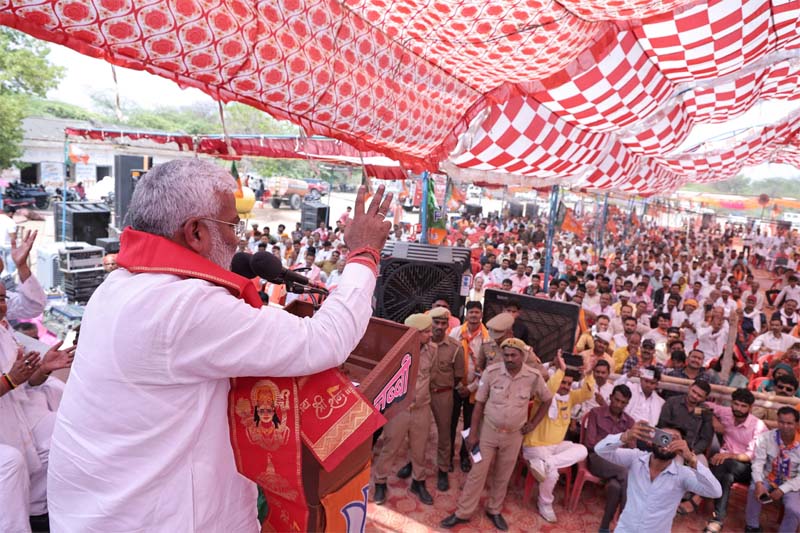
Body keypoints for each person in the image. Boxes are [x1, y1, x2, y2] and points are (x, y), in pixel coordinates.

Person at [46, 159, 393, 531]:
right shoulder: (181, 305)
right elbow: (325, 339)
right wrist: (364, 254)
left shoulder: (119, 284)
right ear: (195, 233)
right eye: (232, 226)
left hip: (100, 506)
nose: (238, 240)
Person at [440, 338, 552, 531]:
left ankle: (494, 509)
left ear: (522, 356)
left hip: (514, 435)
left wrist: (532, 424)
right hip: (488, 432)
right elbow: (479, 404)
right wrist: (473, 434)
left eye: (513, 355)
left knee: (503, 474)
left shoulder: (533, 377)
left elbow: (547, 399)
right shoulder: (492, 373)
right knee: (477, 472)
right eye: (506, 355)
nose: (509, 359)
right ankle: (463, 512)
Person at [594, 422, 722, 533]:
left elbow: (715, 491)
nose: (666, 443)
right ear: (651, 441)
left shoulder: (682, 474)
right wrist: (625, 436)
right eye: (663, 437)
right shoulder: (636, 459)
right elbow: (600, 450)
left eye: (674, 440)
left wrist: (691, 458)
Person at [522, 350, 593, 523]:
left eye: (569, 383)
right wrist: (561, 370)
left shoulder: (570, 398)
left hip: (554, 449)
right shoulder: (544, 397)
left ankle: (546, 464)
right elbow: (550, 388)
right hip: (535, 446)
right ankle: (545, 504)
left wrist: (588, 374)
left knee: (582, 450)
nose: (566, 386)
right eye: (563, 382)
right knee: (552, 475)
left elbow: (587, 393)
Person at [373, 314, 435, 505]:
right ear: (414, 334)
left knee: (419, 449)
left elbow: (431, 377)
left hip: (422, 409)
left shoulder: (433, 350)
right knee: (390, 447)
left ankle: (418, 481)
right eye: (426, 332)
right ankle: (380, 482)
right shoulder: (395, 352)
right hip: (399, 409)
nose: (431, 335)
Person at [703, 388, 768, 533]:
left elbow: (752, 455)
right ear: (731, 403)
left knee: (723, 464)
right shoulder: (727, 412)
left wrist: (728, 455)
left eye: (743, 406)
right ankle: (718, 519)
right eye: (736, 404)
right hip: (727, 463)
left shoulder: (758, 426)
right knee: (726, 476)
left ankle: (712, 513)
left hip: (750, 467)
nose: (738, 409)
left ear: (750, 408)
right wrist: (714, 420)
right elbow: (706, 405)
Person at [583, 385, 635, 533]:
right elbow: (590, 444)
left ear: (627, 403)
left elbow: (632, 450)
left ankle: (604, 527)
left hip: (617, 463)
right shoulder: (596, 413)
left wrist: (630, 440)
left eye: (623, 402)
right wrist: (616, 444)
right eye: (616, 400)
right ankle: (626, 525)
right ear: (610, 397)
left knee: (615, 486)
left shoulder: (629, 422)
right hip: (597, 458)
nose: (618, 405)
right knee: (625, 474)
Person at [745, 407, 800, 533]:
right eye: (781, 422)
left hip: (792, 483)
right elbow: (758, 463)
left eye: (789, 423)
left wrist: (782, 489)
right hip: (768, 477)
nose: (785, 426)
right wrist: (759, 483)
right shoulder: (765, 438)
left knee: (794, 509)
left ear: (797, 424)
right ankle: (752, 527)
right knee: (754, 489)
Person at [449, 301, 489, 473]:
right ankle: (448, 457)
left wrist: (471, 387)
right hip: (456, 387)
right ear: (466, 315)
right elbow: (448, 359)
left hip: (476, 389)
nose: (473, 315)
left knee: (469, 425)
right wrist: (458, 385)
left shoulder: (488, 338)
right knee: (450, 423)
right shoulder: (456, 333)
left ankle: (465, 456)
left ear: (481, 315)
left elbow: (488, 368)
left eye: (477, 312)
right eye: (471, 312)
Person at [428, 306, 465, 491]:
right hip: (422, 393)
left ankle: (443, 469)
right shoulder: (421, 342)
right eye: (437, 322)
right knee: (416, 432)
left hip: (443, 394)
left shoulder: (455, 347)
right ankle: (412, 464)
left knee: (444, 434)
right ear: (430, 323)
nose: (440, 326)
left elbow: (459, 375)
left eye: (444, 323)